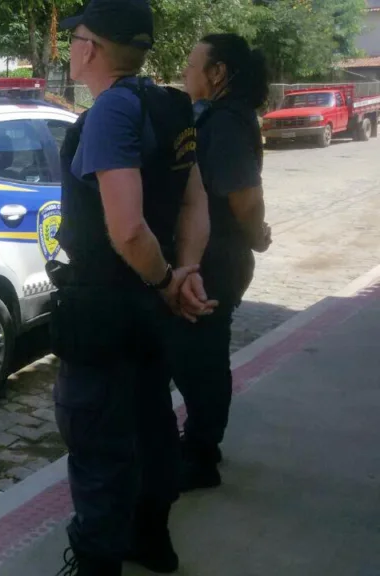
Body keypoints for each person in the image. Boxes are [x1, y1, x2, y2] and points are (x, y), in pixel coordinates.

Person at [47, 1, 217, 574]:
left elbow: (126, 229)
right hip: (150, 306)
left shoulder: (110, 115)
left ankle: (98, 562)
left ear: (91, 47)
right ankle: (152, 541)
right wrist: (185, 270)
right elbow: (195, 201)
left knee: (97, 440)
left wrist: (169, 280)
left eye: (74, 39)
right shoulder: (169, 105)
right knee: (151, 422)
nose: (69, 48)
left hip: (107, 306)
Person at [173, 33, 272, 491]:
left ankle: (201, 455)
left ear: (217, 73)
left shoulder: (228, 122)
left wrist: (257, 237)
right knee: (197, 357)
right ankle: (199, 444)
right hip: (214, 257)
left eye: (192, 65)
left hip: (218, 261)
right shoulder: (219, 117)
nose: (185, 72)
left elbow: (245, 198)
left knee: (204, 361)